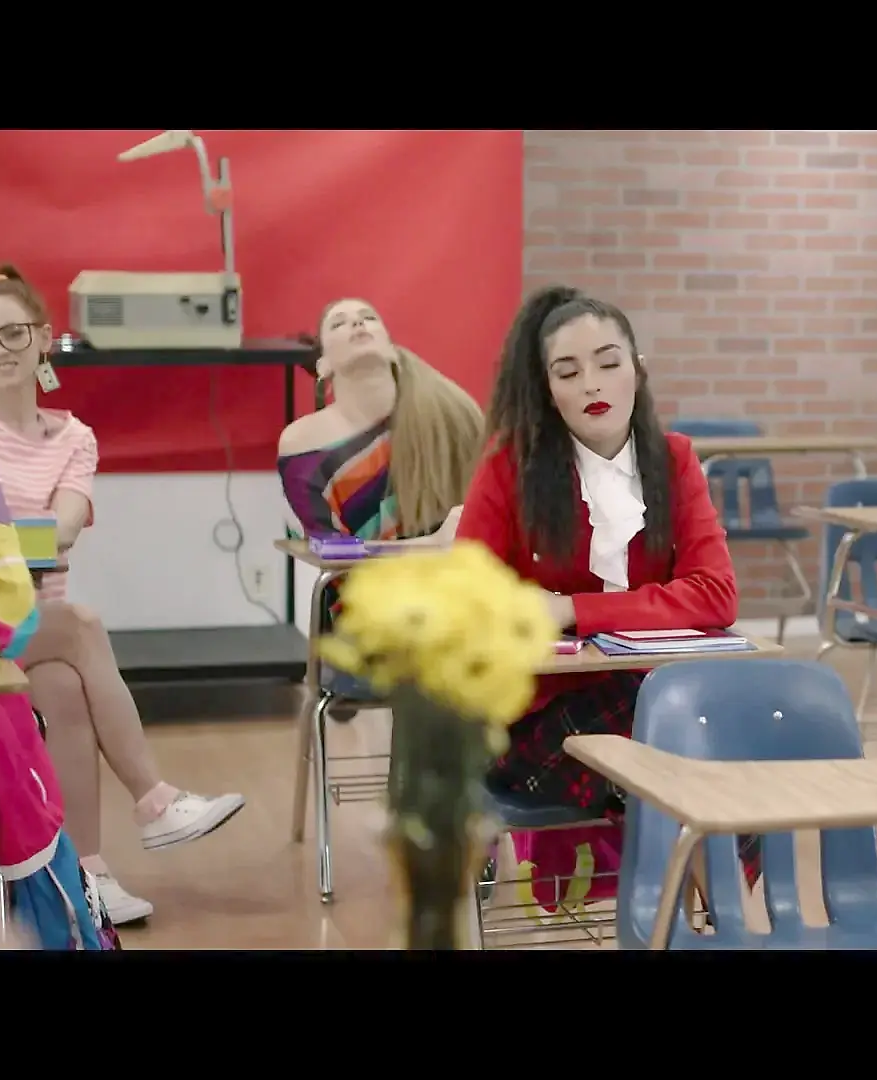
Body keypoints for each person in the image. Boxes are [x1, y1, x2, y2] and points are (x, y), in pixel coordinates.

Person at [456, 285, 759, 918]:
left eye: (608, 362)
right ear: (548, 390)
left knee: (724, 737)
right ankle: (725, 921)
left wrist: (572, 610)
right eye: (568, 372)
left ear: (637, 370)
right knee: (676, 743)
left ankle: (714, 919)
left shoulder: (674, 459)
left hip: (655, 702)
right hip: (535, 718)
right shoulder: (510, 468)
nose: (592, 383)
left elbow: (715, 594)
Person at [0, 264, 244, 926]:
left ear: (43, 338)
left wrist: (10, 540)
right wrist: (24, 542)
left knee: (63, 686)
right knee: (82, 623)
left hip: (32, 631)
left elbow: (62, 529)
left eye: (12, 333)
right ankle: (155, 799)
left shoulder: (73, 437)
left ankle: (87, 875)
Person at [0, 322, 115, 950]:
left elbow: (4, 608)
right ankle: (152, 803)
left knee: (72, 651)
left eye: (13, 334)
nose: (0, 351)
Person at [277, 297, 483, 547]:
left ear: (391, 348)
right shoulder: (303, 444)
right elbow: (331, 552)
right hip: (364, 574)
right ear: (323, 364)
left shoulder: (448, 417)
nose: (358, 323)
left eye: (369, 317)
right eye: (338, 324)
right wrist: (431, 544)